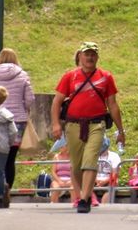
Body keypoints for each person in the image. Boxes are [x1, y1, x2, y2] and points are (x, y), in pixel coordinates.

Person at [50, 42, 125, 214]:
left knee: (90, 160)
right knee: (76, 165)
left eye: (93, 54)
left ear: (97, 57)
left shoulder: (106, 77)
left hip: (96, 124)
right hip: (73, 125)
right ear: (80, 57)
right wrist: (55, 124)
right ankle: (80, 196)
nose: (90, 57)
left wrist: (121, 131)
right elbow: (57, 102)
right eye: (87, 54)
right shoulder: (70, 76)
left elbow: (112, 105)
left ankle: (84, 199)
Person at [0, 48, 35, 207]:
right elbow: (30, 99)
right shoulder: (22, 75)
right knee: (10, 158)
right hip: (16, 120)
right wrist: (23, 109)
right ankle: (7, 188)